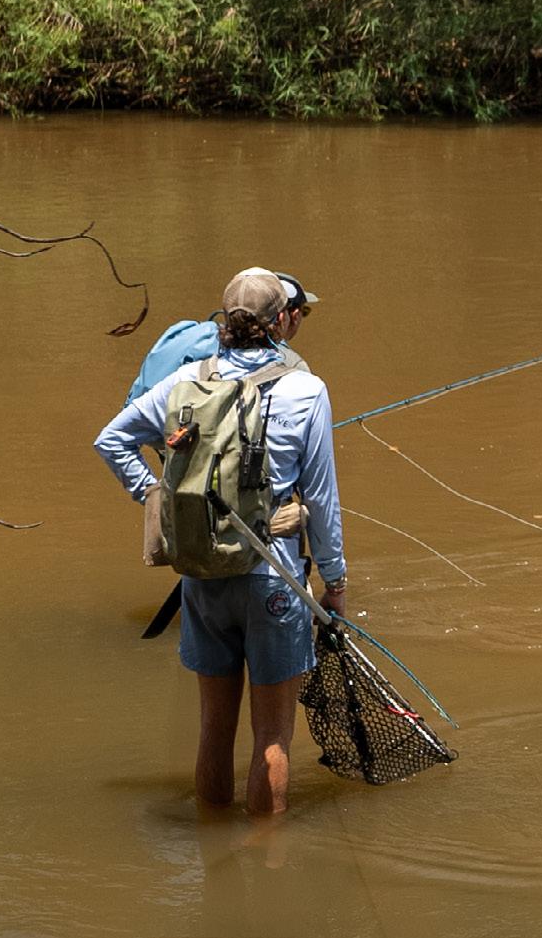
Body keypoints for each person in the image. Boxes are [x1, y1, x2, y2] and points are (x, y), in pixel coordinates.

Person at [94, 269, 347, 816]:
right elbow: (322, 501)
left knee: (214, 729)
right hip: (273, 575)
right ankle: (264, 853)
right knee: (273, 736)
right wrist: (335, 583)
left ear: (224, 320)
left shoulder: (185, 381)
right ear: (279, 321)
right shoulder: (306, 390)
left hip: (203, 574)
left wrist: (158, 499)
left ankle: (212, 842)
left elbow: (111, 439)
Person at [124, 269, 317, 403]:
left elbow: (130, 414)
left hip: (177, 444)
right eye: (304, 312)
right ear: (287, 316)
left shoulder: (186, 334)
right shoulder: (293, 365)